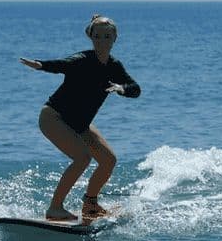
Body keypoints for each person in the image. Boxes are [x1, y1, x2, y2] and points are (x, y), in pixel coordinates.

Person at [20, 14, 141, 220]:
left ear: (115, 38)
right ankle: (55, 208)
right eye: (98, 36)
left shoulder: (114, 66)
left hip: (80, 124)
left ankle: (90, 205)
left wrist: (121, 88)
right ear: (91, 37)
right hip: (54, 118)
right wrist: (41, 65)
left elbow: (135, 89)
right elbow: (62, 64)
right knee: (82, 158)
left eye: (107, 36)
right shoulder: (82, 60)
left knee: (108, 160)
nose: (102, 41)